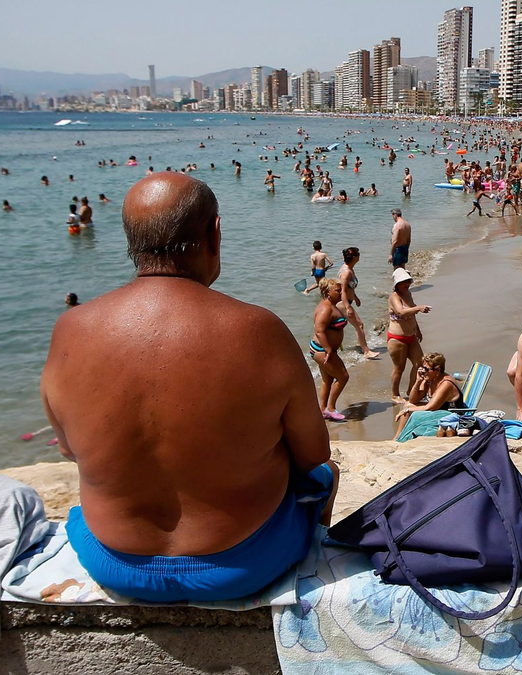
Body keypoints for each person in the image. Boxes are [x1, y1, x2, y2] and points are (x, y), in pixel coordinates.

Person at [40, 173, 338, 602]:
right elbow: (314, 455)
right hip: (241, 566)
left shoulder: (70, 329)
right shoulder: (260, 330)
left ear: (130, 241)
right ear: (214, 235)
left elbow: (69, 450)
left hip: (113, 562)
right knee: (326, 476)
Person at [394, 352, 466, 437]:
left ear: (438, 370)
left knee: (411, 411)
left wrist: (407, 410)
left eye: (426, 369)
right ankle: (398, 437)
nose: (423, 371)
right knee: (407, 405)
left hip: (451, 414)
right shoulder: (430, 379)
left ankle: (400, 438)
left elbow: (430, 407)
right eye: (423, 367)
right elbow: (413, 400)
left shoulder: (446, 384)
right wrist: (418, 381)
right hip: (439, 409)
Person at [386, 268, 431, 402]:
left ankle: (411, 390)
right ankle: (395, 394)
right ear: (396, 284)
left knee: (420, 364)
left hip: (411, 336)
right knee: (399, 368)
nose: (406, 284)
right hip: (397, 339)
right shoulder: (394, 297)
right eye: (403, 282)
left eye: (408, 281)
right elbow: (401, 312)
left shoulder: (408, 294)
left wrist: (417, 329)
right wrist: (418, 308)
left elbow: (411, 313)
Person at [311, 279, 351, 422]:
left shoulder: (333, 306)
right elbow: (319, 331)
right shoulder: (325, 308)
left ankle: (322, 410)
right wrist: (328, 350)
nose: (341, 293)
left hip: (323, 350)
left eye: (341, 290)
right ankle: (331, 408)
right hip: (322, 350)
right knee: (343, 377)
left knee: (327, 380)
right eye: (337, 290)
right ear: (328, 292)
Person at [337, 247, 380, 360]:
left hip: (348, 301)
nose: (359, 255)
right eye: (358, 254)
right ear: (355, 257)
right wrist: (348, 307)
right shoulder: (346, 272)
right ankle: (366, 351)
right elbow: (343, 291)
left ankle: (362, 347)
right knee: (359, 324)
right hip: (343, 303)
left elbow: (349, 288)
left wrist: (355, 298)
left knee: (355, 325)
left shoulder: (350, 269)